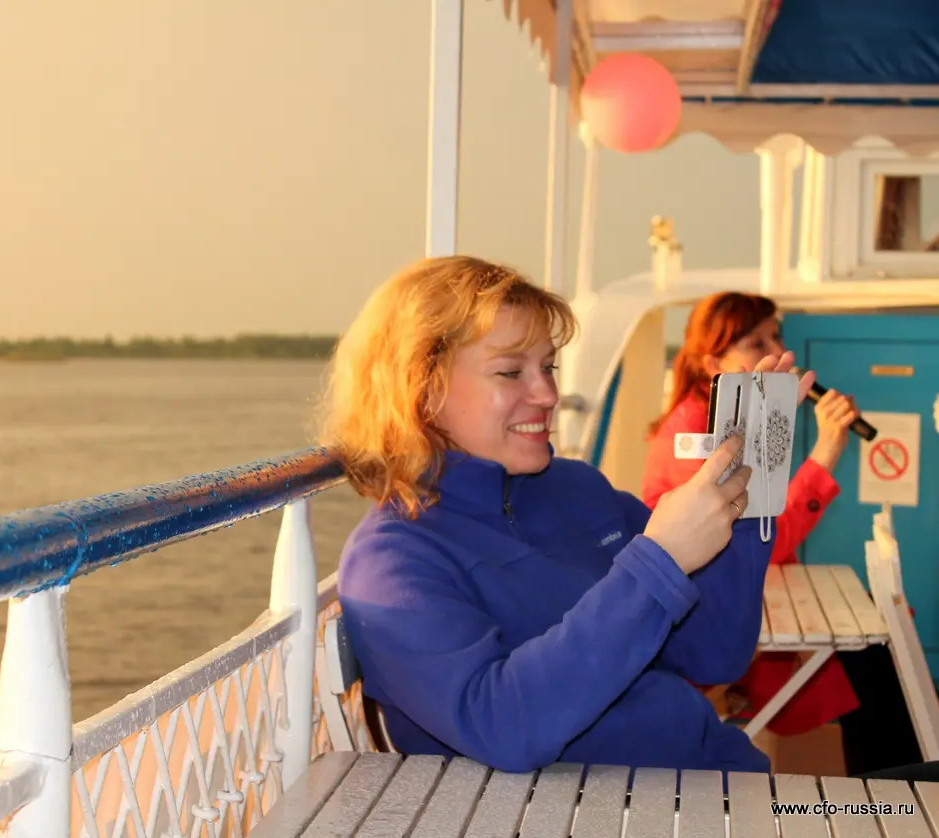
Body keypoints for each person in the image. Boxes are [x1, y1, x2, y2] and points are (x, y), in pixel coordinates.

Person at [316, 255, 814, 774]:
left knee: (878, 808)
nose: (548, 394)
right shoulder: (393, 560)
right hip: (614, 807)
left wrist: (749, 484)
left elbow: (714, 653)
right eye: (511, 371)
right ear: (420, 389)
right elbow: (501, 726)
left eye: (548, 367)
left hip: (715, 778)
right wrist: (660, 561)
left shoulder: (580, 490)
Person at [642, 291, 923, 776]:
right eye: (756, 343)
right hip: (707, 624)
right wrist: (826, 451)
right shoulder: (695, 434)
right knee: (874, 665)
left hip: (739, 602)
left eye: (776, 336)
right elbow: (761, 539)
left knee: (874, 664)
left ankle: (894, 797)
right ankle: (897, 801)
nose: (777, 351)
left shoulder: (726, 415)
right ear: (712, 362)